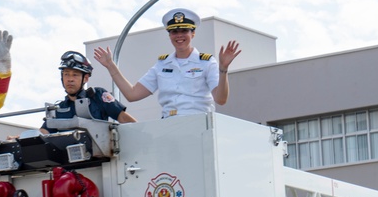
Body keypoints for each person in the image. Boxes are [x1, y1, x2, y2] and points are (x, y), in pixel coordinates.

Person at [93, 8, 241, 119]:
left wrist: (223, 69)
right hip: (169, 124)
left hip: (199, 122)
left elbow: (221, 99)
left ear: (193, 33)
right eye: (174, 32)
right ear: (169, 35)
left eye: (184, 31)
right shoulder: (162, 65)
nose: (179, 36)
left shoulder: (207, 62)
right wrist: (111, 66)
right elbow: (132, 94)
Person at [41, 51, 135, 134]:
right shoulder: (58, 109)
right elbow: (42, 134)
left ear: (85, 78)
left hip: (101, 153)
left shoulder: (98, 96)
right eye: (66, 74)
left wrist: (145, 133)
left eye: (75, 75)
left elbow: (123, 118)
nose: (70, 79)